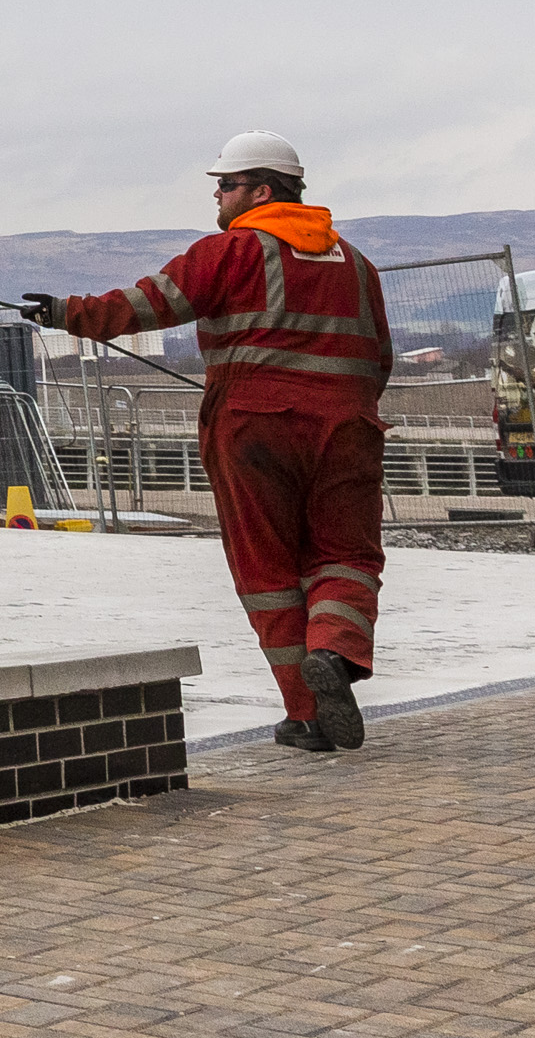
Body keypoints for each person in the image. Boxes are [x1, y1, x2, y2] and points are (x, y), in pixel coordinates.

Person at [27, 131, 393, 754]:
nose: (217, 197)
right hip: (348, 430)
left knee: (268, 570)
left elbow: (147, 305)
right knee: (345, 557)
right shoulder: (357, 265)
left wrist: (66, 313)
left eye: (224, 185)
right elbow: (378, 357)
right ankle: (333, 651)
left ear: (262, 189)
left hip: (253, 426)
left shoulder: (229, 250)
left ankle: (306, 716)